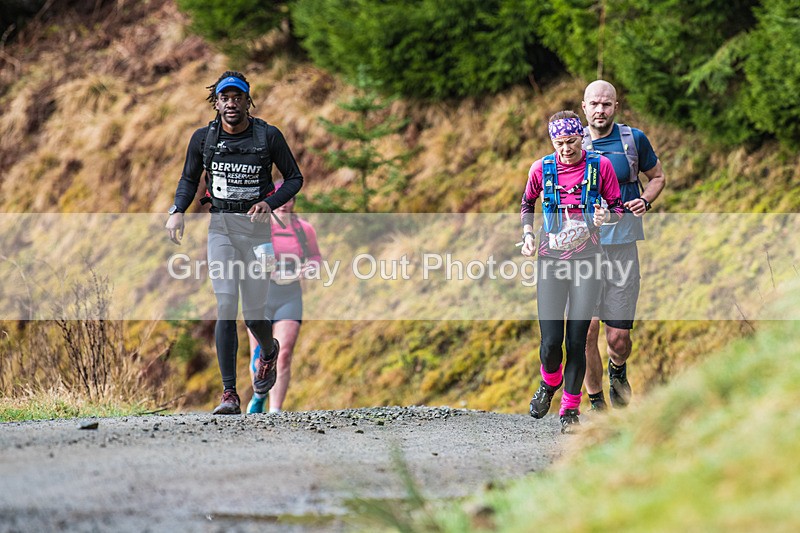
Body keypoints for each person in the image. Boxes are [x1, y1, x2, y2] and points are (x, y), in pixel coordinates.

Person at [165, 71, 303, 414]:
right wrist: (177, 209)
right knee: (225, 304)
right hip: (221, 229)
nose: (231, 104)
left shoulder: (268, 136)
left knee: (254, 314)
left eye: (237, 97)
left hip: (257, 235)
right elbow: (188, 178)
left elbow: (294, 178)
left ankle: (267, 352)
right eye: (225, 98)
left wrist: (268, 203)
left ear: (247, 101)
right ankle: (229, 394)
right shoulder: (203, 139)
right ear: (217, 103)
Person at [520, 110, 624, 433]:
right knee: (551, 343)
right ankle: (549, 382)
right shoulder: (541, 168)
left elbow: (617, 209)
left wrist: (605, 217)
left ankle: (570, 410)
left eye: (571, 141)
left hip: (588, 259)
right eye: (559, 142)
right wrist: (526, 235)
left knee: (577, 340)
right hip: (550, 259)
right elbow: (527, 204)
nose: (565, 149)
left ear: (582, 137)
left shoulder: (600, 167)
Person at [580, 80, 666, 411]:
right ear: (584, 107)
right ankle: (597, 404)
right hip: (582, 251)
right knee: (585, 333)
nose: (600, 110)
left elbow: (657, 176)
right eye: (594, 104)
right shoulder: (572, 145)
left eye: (606, 104)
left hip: (622, 249)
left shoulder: (633, 140)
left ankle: (618, 369)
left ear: (615, 106)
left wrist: (645, 199)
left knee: (617, 338)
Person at [245, 188, 321, 414]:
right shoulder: (258, 226)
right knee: (259, 353)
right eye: (278, 200)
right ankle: (259, 395)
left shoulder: (303, 229)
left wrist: (311, 268)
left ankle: (275, 411)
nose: (283, 204)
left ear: (294, 202)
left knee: (284, 353)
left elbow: (315, 256)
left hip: (290, 295)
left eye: (288, 200)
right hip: (260, 296)